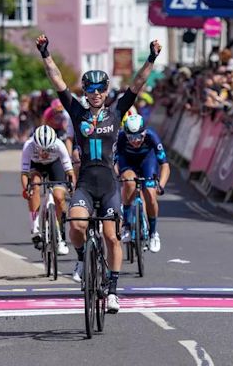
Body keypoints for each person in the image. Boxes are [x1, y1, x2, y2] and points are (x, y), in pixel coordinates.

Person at [36, 33, 161, 314]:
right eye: (90, 89)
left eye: (100, 89)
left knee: (111, 236)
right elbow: (57, 81)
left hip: (108, 184)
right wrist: (46, 53)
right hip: (84, 183)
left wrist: (152, 58)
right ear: (85, 91)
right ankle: (81, 258)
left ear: (106, 91)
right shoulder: (77, 112)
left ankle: (114, 291)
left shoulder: (117, 112)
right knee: (76, 226)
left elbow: (138, 83)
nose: (95, 93)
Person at [117, 114, 170, 253]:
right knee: (129, 183)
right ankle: (126, 226)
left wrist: (161, 185)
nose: (135, 141)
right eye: (131, 137)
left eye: (139, 137)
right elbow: (114, 162)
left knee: (151, 195)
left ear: (144, 133)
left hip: (147, 161)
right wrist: (118, 176)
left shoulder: (152, 136)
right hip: (128, 162)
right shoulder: (121, 137)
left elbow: (164, 165)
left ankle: (153, 233)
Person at [21, 125, 75, 255]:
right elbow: (24, 173)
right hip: (36, 166)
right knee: (34, 185)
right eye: (41, 149)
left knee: (59, 196)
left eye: (48, 149)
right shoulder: (28, 146)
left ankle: (60, 232)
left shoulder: (59, 145)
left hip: (54, 164)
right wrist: (26, 190)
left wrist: (72, 188)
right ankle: (35, 227)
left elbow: (70, 171)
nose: (44, 153)